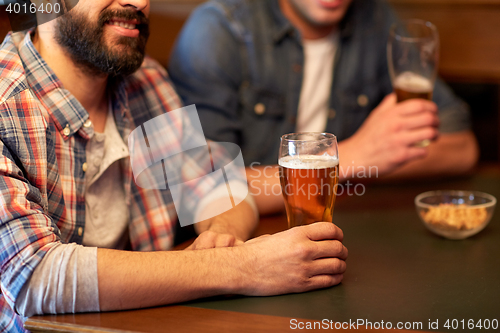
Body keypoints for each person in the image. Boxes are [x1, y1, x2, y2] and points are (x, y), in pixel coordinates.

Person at [0, 1, 348, 331]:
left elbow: (219, 186)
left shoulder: (147, 81)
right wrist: (239, 267)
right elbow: (33, 276)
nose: (139, 3)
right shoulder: (6, 102)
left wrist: (221, 233)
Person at [168, 0, 479, 214]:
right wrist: (352, 157)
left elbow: (462, 148)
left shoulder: (374, 19)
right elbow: (202, 189)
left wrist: (363, 164)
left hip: (341, 229)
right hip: (249, 242)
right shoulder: (219, 30)